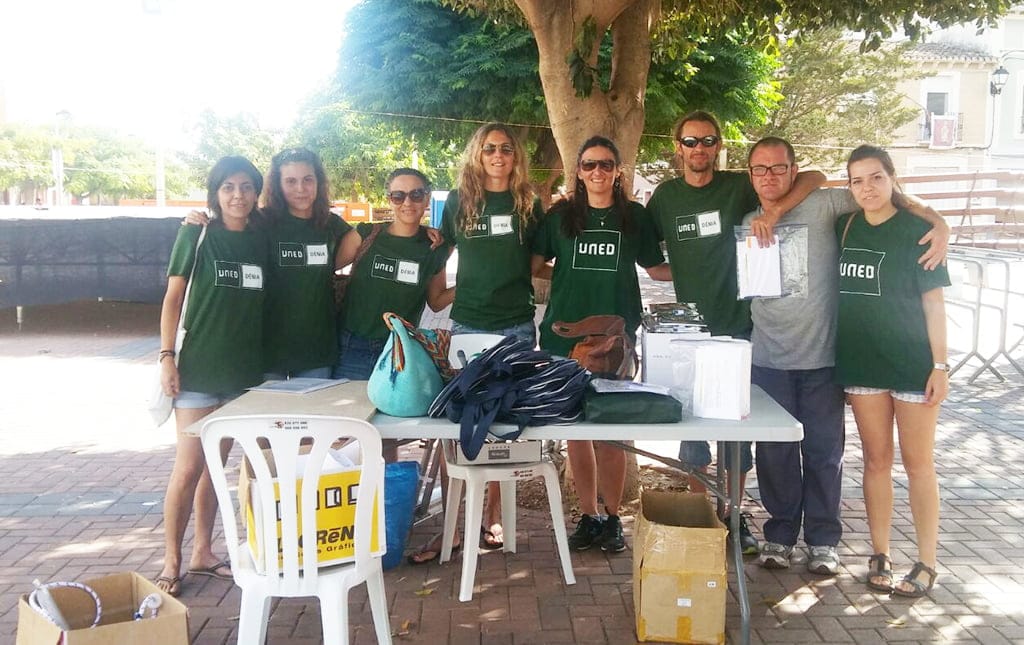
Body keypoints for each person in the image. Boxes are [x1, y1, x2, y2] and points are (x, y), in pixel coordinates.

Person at [742, 137, 948, 575]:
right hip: (770, 359)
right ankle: (778, 536)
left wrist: (939, 222)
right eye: (761, 169)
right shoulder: (748, 222)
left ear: (794, 169)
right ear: (751, 176)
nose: (770, 176)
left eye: (779, 168)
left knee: (824, 452)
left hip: (823, 359)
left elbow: (880, 195)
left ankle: (823, 540)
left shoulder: (828, 207)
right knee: (774, 455)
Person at [645, 110, 826, 554]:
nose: (699, 148)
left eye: (707, 140)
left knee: (735, 432)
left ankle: (733, 514)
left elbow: (815, 177)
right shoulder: (665, 198)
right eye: (690, 141)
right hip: (687, 333)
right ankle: (699, 514)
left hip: (739, 330)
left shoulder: (738, 186)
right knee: (690, 431)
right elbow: (650, 262)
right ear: (678, 147)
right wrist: (686, 272)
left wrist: (778, 209)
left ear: (719, 146)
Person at [408, 123, 543, 563]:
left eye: (506, 149)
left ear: (515, 156)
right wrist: (442, 294)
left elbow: (539, 260)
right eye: (490, 149)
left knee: (505, 426)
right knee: (460, 427)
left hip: (518, 327)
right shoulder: (459, 202)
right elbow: (437, 252)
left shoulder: (529, 203)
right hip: (468, 327)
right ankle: (454, 521)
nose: (498, 155)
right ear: (477, 155)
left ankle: (491, 519)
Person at [531, 135, 670, 553]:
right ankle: (588, 516)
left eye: (606, 165)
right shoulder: (559, 218)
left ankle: (613, 519)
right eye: (589, 165)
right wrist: (570, 280)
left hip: (616, 340)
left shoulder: (636, 218)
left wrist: (711, 261)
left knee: (612, 433)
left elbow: (656, 269)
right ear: (578, 171)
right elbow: (534, 266)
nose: (597, 172)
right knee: (577, 431)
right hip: (564, 338)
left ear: (617, 171)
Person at [836, 144, 949, 597]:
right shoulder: (844, 225)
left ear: (892, 178)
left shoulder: (919, 231)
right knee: (876, 461)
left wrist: (940, 364)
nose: (868, 187)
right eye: (858, 180)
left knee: (919, 465)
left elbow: (934, 302)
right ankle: (879, 552)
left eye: (877, 177)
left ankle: (927, 561)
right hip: (863, 362)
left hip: (913, 364)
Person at [155, 156, 268, 597]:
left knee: (215, 467)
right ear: (215, 193)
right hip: (198, 370)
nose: (237, 195)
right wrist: (166, 356)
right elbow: (172, 298)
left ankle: (204, 551)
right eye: (227, 187)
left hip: (243, 373)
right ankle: (172, 560)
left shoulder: (261, 239)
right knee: (187, 467)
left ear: (257, 193)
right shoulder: (196, 233)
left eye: (245, 186)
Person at [185, 148, 353, 379]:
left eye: (308, 180)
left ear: (319, 183)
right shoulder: (260, 222)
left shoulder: (331, 225)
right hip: (265, 350)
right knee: (269, 415)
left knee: (310, 415)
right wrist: (196, 219)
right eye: (290, 181)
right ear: (277, 185)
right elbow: (227, 228)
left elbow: (368, 243)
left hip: (316, 350)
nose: (300, 189)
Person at [331, 167, 453, 381]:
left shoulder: (434, 248)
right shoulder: (366, 235)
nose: (407, 203)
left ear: (427, 199)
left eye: (416, 195)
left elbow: (436, 301)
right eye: (398, 196)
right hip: (352, 349)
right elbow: (323, 269)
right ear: (389, 199)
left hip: (400, 351)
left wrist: (472, 283)